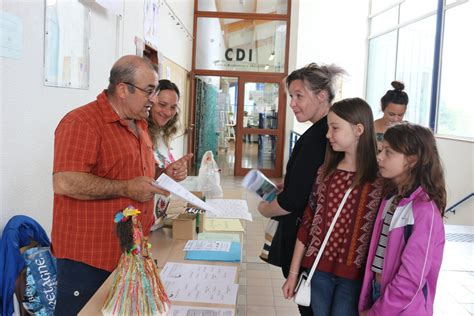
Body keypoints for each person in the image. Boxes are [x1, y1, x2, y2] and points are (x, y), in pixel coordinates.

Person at [51, 55, 191, 315]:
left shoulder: (139, 124)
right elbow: (65, 182)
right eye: (149, 91)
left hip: (128, 254)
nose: (153, 99)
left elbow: (137, 173)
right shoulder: (82, 123)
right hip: (89, 260)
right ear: (123, 89)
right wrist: (126, 188)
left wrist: (164, 173)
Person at [257, 63, 346, 316]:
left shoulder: (317, 138)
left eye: (299, 96)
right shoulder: (324, 134)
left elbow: (292, 201)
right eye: (291, 96)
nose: (293, 103)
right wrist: (292, 183)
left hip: (309, 246)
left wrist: (265, 208)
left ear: (321, 96)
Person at [281, 98, 383, 316]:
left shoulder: (380, 181)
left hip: (355, 278)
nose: (328, 135)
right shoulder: (325, 172)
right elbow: (307, 223)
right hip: (318, 271)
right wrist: (293, 274)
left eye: (335, 128)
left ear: (358, 129)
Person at [359, 123, 446, 316]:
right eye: (381, 150)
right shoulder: (390, 198)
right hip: (379, 293)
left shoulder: (424, 210)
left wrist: (377, 312)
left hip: (402, 308)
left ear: (412, 160)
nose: (379, 157)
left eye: (388, 152)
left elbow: (411, 279)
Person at [146, 79, 183, 230]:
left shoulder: (162, 133)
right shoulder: (139, 134)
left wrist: (177, 171)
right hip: (142, 224)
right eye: (162, 105)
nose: (168, 112)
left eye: (173, 107)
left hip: (157, 221)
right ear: (150, 101)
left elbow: (164, 171)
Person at [374, 81, 409, 150]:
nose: (396, 119)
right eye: (391, 114)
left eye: (400, 115)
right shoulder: (370, 128)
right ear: (382, 107)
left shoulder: (409, 131)